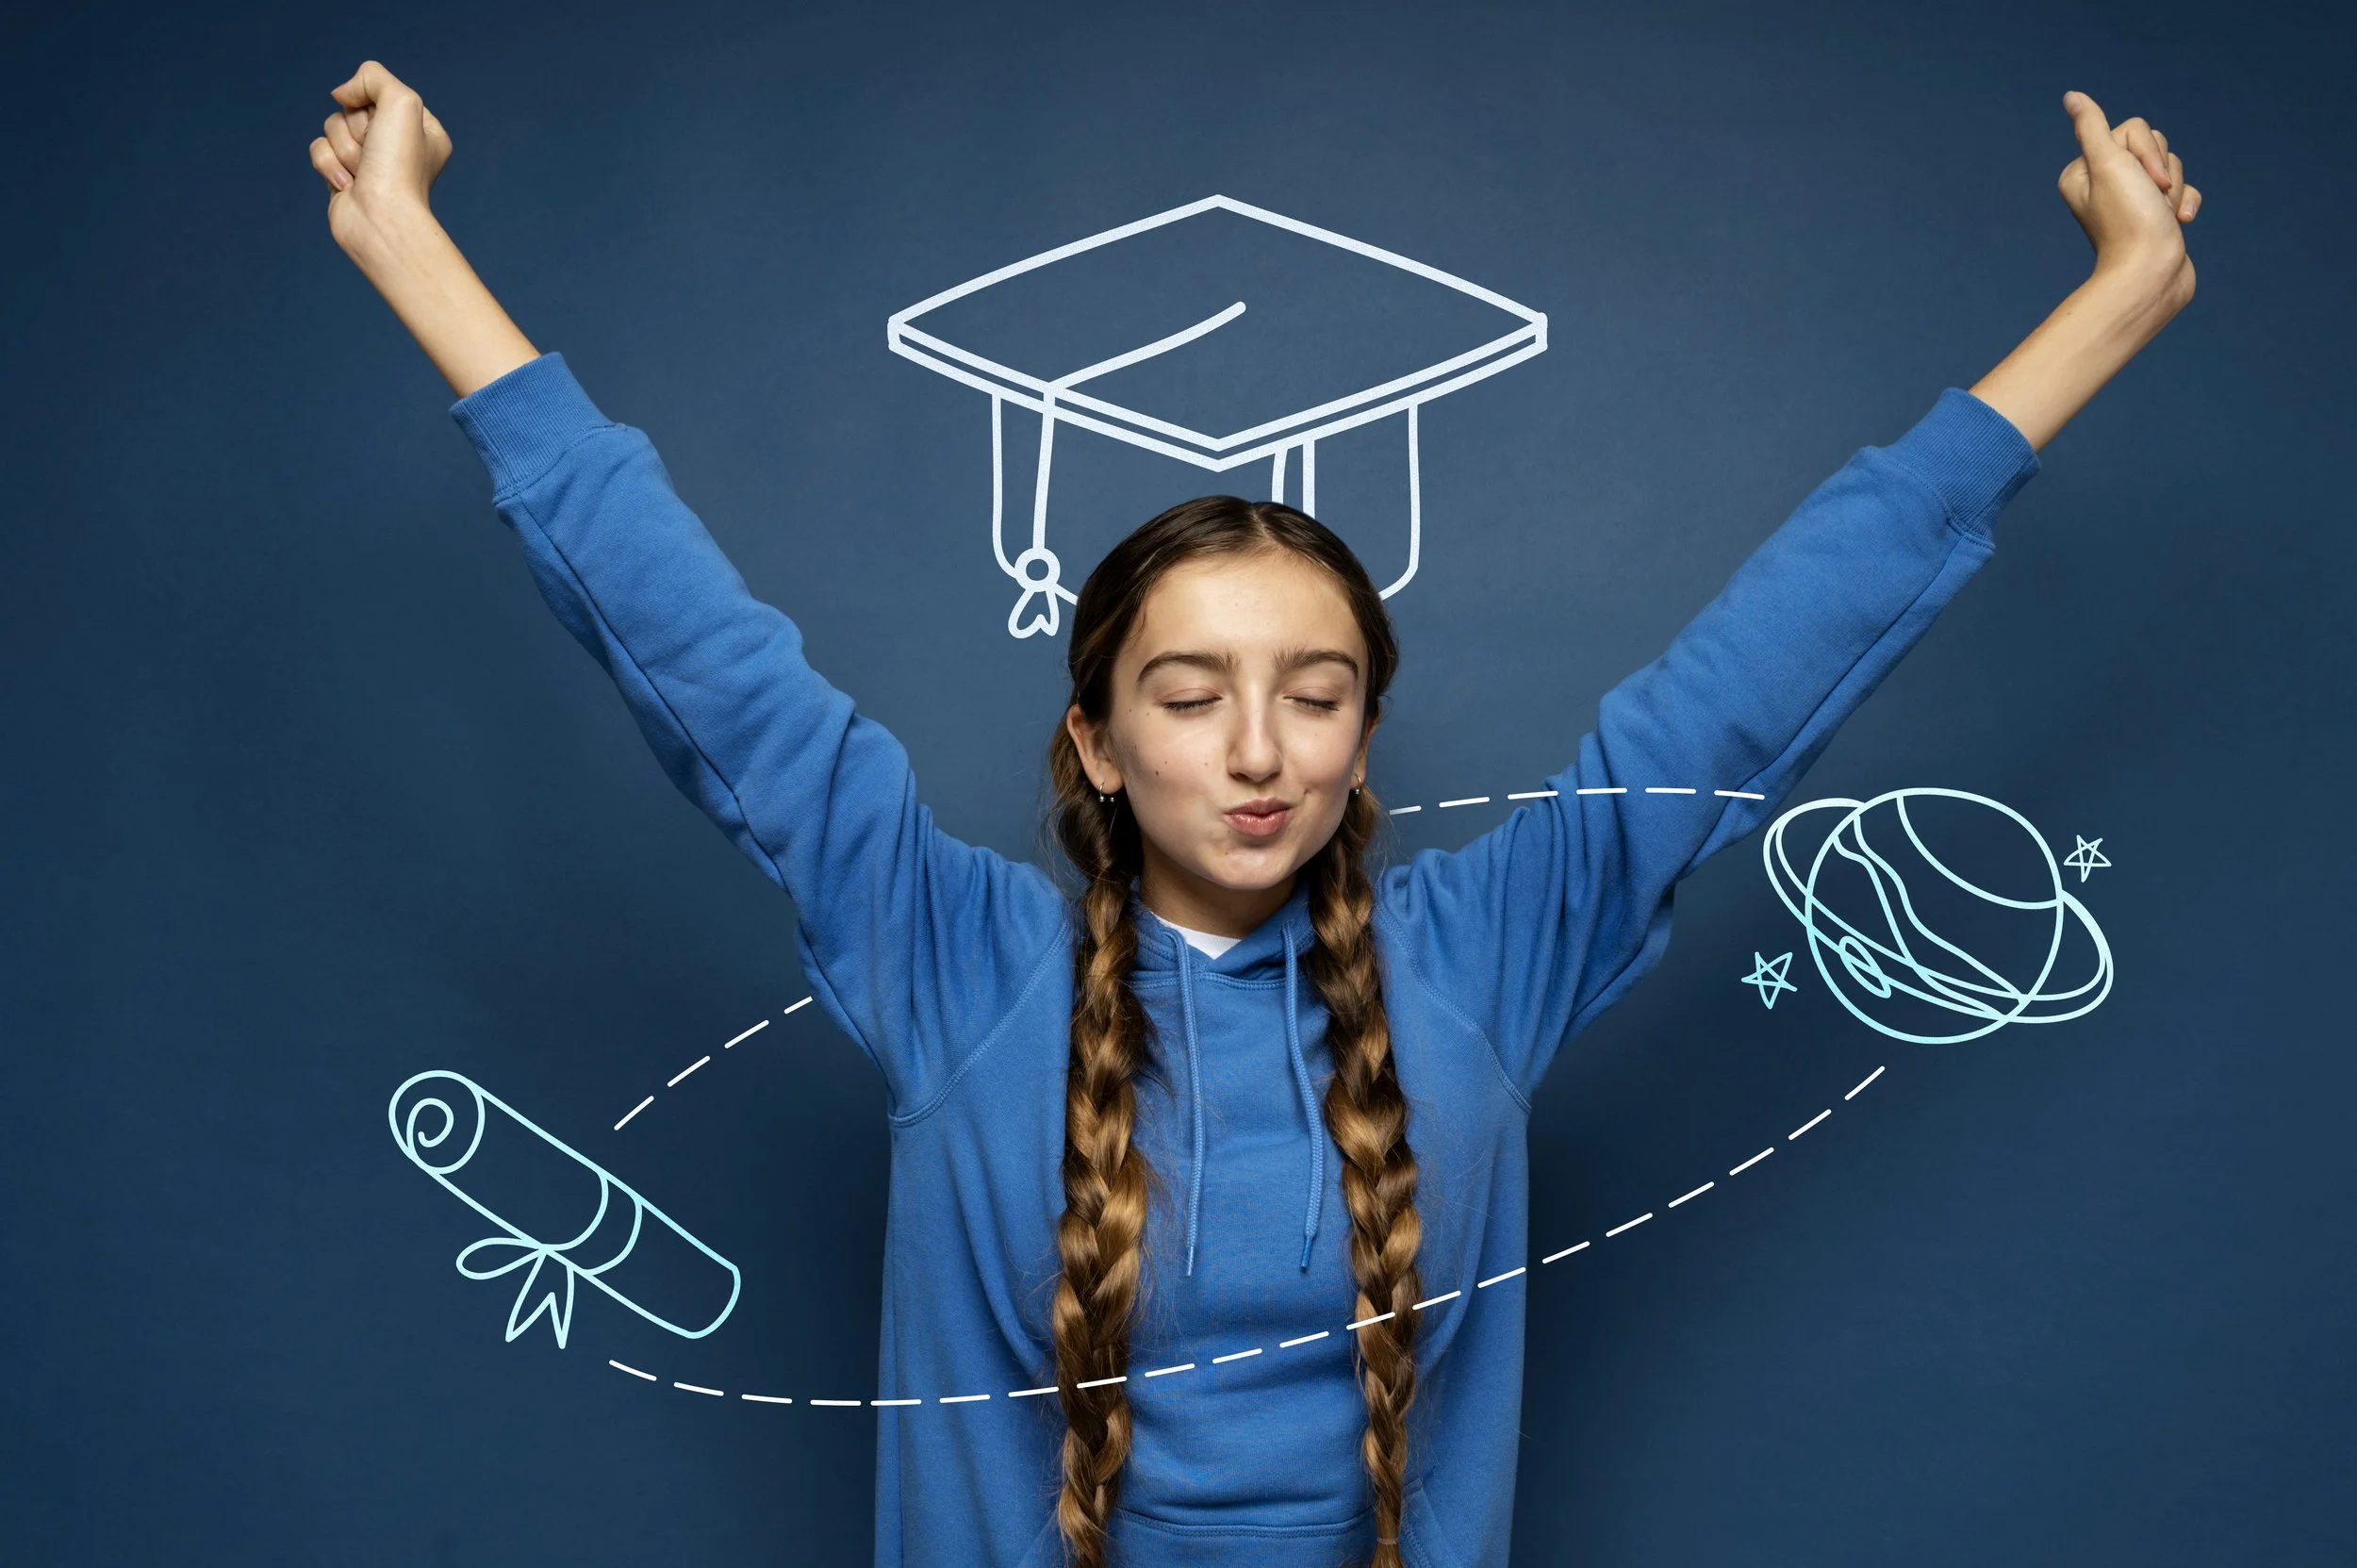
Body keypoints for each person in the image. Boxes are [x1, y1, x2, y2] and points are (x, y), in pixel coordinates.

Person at [309, 61, 2200, 1568]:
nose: (1256, 748)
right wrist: (405, 244)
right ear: (1095, 747)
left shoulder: (1481, 953)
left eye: (1312, 694)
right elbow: (681, 635)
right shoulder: (948, 950)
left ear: (1366, 742)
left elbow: (1773, 655)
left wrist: (2113, 301)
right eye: (1187, 694)